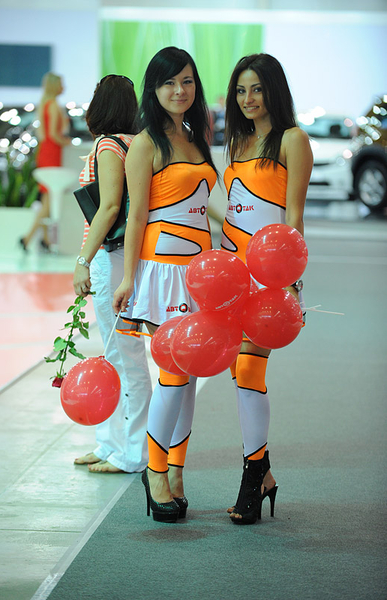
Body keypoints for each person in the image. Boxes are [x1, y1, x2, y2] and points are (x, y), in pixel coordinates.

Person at [113, 47, 218, 522]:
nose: (179, 90)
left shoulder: (196, 136)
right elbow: (136, 216)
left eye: (187, 81)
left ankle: (175, 472)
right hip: (161, 270)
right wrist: (129, 277)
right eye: (169, 82)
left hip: (200, 274)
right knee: (174, 374)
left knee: (190, 376)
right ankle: (154, 472)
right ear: (153, 89)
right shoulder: (144, 144)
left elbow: (204, 206)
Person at [221, 53, 313, 524]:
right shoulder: (238, 140)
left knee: (249, 371)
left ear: (274, 89)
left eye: (256, 88)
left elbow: (293, 218)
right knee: (239, 375)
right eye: (241, 90)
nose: (248, 98)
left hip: (268, 278)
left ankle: (252, 477)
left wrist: (292, 283)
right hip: (230, 275)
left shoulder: (293, 140)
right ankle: (265, 473)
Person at [72, 74, 152, 474]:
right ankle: (110, 444)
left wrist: (82, 260)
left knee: (125, 357)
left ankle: (133, 453)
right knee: (118, 355)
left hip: (110, 255)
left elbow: (108, 208)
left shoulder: (108, 145)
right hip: (125, 256)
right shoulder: (136, 142)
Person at [20, 72, 71, 251]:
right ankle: (28, 238)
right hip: (52, 153)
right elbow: (54, 135)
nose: (63, 87)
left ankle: (45, 239)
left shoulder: (46, 104)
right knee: (49, 198)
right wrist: (67, 142)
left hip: (46, 152)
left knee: (46, 198)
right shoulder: (53, 105)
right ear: (55, 86)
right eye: (61, 84)